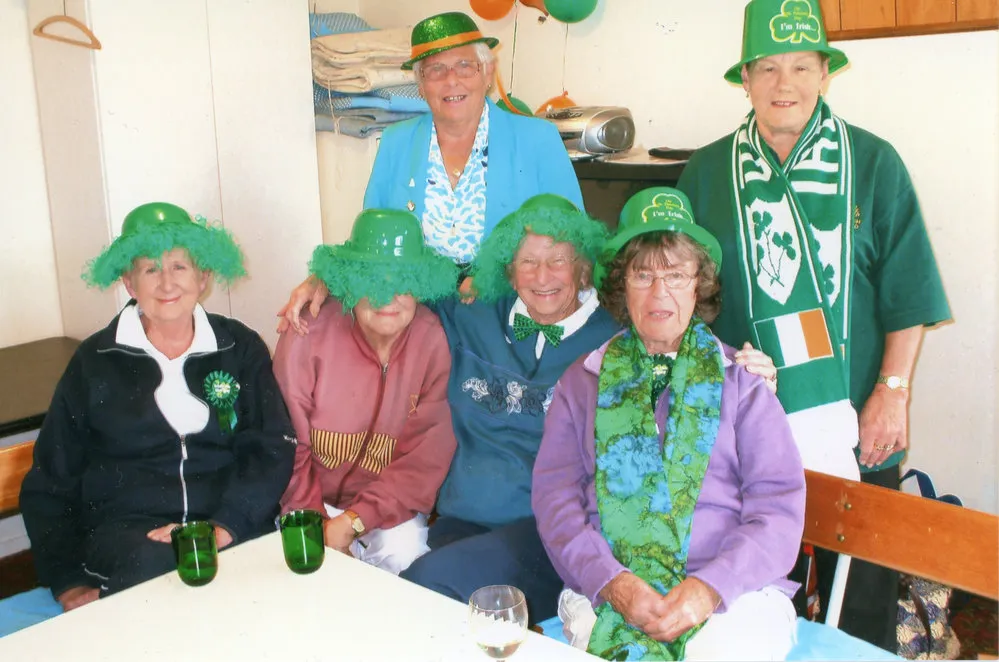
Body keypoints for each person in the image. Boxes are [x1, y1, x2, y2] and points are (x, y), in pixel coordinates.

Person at [675, 0, 951, 649]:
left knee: (863, 589)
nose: (784, 85)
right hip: (741, 424)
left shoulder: (873, 163)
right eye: (766, 68)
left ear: (825, 73)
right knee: (749, 584)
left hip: (857, 415)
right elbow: (682, 297)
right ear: (743, 79)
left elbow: (905, 293)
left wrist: (892, 393)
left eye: (801, 66)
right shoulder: (706, 172)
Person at [533, 187, 805, 661]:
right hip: (609, 590)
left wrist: (708, 588)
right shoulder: (581, 382)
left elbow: (777, 511)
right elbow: (556, 502)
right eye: (643, 275)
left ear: (699, 285)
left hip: (732, 598)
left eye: (676, 275)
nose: (660, 293)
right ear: (621, 285)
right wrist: (611, 581)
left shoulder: (742, 380)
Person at [19, 202, 296, 612]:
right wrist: (67, 581)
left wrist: (223, 526)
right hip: (132, 540)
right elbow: (50, 481)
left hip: (227, 525)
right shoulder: (95, 360)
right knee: (169, 574)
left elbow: (271, 448)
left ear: (203, 277)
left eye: (179, 267)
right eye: (151, 269)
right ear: (130, 283)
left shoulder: (240, 346)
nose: (167, 283)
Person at [278, 11, 583, 325]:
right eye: (436, 70)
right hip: (418, 318)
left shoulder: (537, 139)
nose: (452, 80)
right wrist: (324, 278)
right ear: (420, 85)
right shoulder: (397, 141)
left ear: (487, 72)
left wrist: (496, 278)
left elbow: (575, 242)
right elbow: (372, 242)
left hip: (510, 315)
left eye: (465, 65)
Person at [273, 209, 459, 575]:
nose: (386, 296)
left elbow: (424, 459)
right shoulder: (307, 331)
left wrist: (354, 522)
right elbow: (287, 442)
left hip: (388, 505)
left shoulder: (433, 339)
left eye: (403, 281)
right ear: (349, 282)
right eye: (371, 279)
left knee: (407, 558)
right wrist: (315, 522)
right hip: (305, 502)